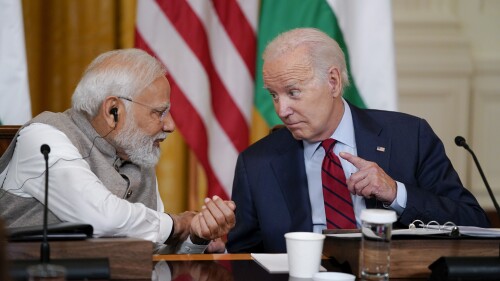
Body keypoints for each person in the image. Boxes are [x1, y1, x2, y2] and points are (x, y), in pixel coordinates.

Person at [226, 28, 490, 253]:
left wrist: (396, 193)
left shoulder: (410, 137)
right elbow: (243, 258)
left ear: (333, 82)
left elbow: (474, 224)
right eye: (274, 95)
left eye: (293, 92)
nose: (281, 109)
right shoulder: (257, 163)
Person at [0, 49, 235, 253]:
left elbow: (154, 248)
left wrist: (197, 237)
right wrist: (180, 223)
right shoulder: (43, 138)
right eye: (159, 112)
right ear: (114, 110)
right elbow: (103, 218)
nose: (171, 125)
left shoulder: (135, 153)